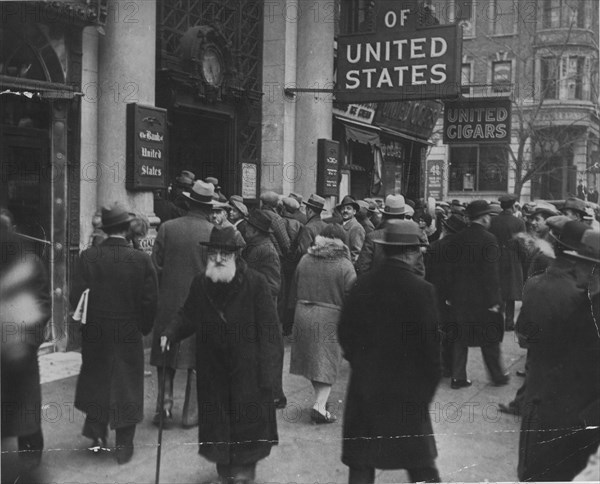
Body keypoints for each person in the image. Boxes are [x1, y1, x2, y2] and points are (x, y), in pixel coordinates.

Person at [160, 226, 281, 484]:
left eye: (224, 254)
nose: (217, 258)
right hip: (213, 368)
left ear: (236, 256)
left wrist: (270, 378)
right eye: (213, 252)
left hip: (247, 370)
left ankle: (243, 472)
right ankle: (225, 470)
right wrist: (169, 333)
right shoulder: (201, 283)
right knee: (218, 424)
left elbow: (271, 333)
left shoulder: (256, 284)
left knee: (246, 426)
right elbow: (188, 314)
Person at [339, 219, 442, 484]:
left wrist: (362, 362)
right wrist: (424, 392)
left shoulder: (362, 285)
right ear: (409, 252)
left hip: (366, 388)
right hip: (407, 393)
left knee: (362, 460)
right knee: (420, 463)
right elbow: (431, 351)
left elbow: (345, 333)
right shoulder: (423, 291)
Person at [70, 205, 158, 464]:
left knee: (97, 378)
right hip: (128, 330)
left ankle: (97, 434)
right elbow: (150, 300)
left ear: (106, 229)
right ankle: (124, 444)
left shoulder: (89, 257)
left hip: (97, 331)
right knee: (127, 383)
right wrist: (143, 327)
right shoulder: (141, 260)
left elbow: (77, 296)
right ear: (125, 229)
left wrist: (86, 326)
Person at [517, 222, 600, 481]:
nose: (581, 271)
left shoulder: (586, 305)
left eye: (586, 264)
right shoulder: (582, 301)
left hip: (572, 421)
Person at [150, 180, 221, 428]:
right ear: (209, 208)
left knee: (166, 357)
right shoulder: (214, 233)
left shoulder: (167, 228)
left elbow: (155, 267)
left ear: (189, 203)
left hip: (169, 303)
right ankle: (191, 414)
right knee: (198, 360)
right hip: (201, 305)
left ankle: (165, 408)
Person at [1, 209, 51, 483]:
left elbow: (42, 306)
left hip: (20, 353)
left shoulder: (29, 265)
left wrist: (28, 342)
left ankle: (30, 463)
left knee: (25, 413)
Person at [289, 224, 356, 423]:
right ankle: (319, 406)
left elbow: (295, 284)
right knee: (328, 362)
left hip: (303, 314)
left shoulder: (305, 259)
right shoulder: (344, 265)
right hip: (330, 317)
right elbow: (352, 294)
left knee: (314, 361)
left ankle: (320, 400)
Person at [447, 200, 509, 389]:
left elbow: (450, 270)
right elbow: (491, 273)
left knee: (460, 338)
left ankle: (458, 377)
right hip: (482, 299)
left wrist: (450, 295)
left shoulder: (457, 238)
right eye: (488, 216)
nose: (490, 219)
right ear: (483, 218)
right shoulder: (489, 239)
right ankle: (497, 375)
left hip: (460, 298)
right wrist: (495, 300)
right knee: (489, 338)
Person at [424, 214, 467, 377]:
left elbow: (427, 273)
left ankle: (438, 366)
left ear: (446, 230)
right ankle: (451, 368)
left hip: (436, 294)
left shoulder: (434, 246)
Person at [488, 194, 527, 331]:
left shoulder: (493, 221)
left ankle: (495, 321)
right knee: (510, 292)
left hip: (496, 257)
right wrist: (524, 258)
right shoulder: (519, 222)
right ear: (513, 205)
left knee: (498, 289)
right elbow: (522, 244)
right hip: (512, 258)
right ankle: (509, 322)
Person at [336, 196, 366, 264]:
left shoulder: (356, 228)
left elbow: (356, 254)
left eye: (348, 208)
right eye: (343, 208)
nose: (345, 211)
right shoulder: (340, 225)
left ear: (354, 212)